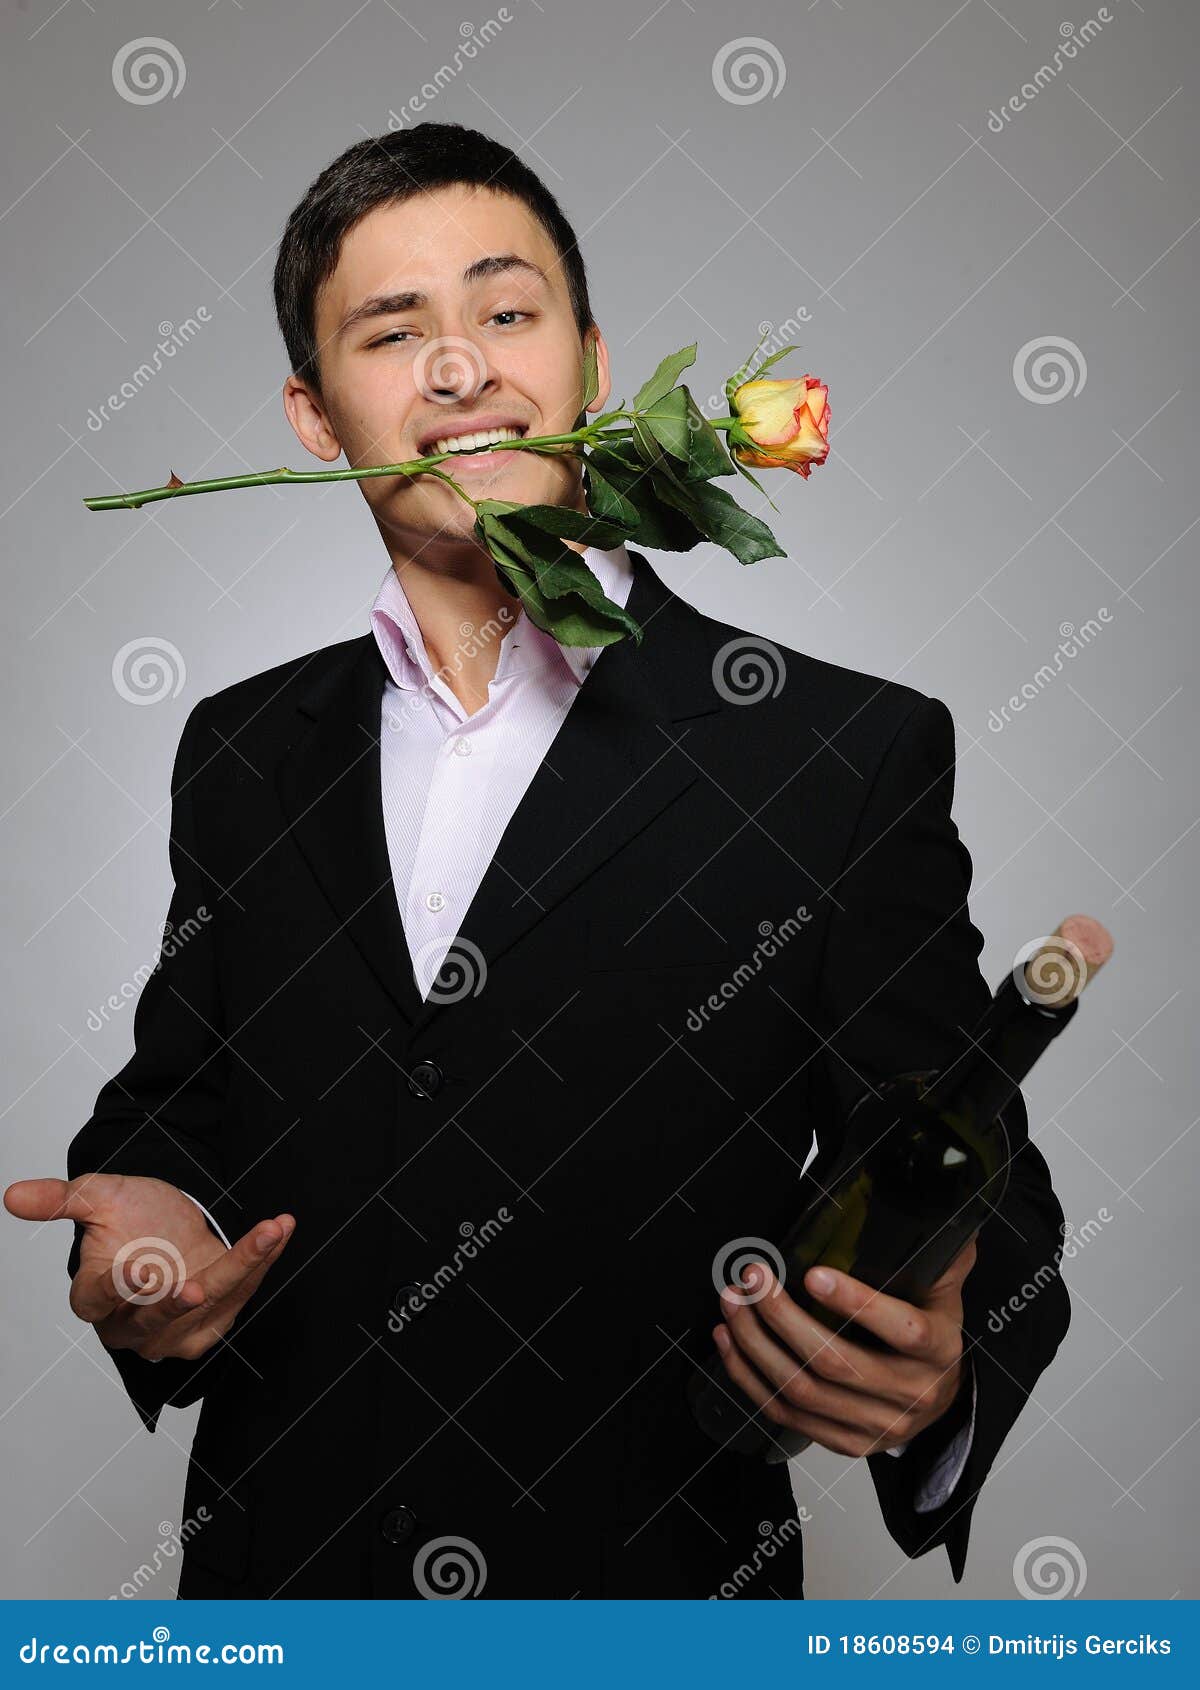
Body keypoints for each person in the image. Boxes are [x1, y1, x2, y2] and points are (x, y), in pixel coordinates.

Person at [5, 122, 1069, 1600]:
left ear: (587, 358)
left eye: (507, 315)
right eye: (395, 334)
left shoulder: (833, 756)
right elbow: (187, 1102)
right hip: (281, 1592)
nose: (461, 371)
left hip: (650, 1593)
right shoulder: (243, 748)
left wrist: (942, 1375)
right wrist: (147, 1227)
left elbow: (978, 1175)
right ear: (316, 416)